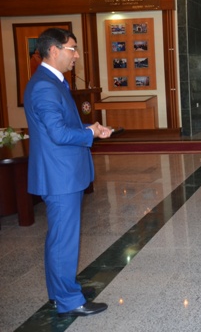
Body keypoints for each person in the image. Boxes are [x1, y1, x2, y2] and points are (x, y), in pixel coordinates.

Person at [24, 28, 113, 317]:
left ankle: (58, 293)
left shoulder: (52, 81)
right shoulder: (44, 86)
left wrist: (90, 128)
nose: (76, 55)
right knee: (64, 241)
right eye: (72, 49)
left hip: (61, 173)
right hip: (60, 176)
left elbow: (61, 127)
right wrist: (90, 134)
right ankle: (69, 300)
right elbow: (59, 134)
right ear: (54, 50)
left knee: (59, 238)